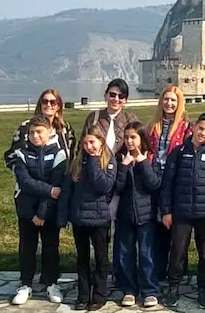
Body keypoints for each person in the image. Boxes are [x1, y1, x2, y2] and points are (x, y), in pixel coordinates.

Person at [160, 113, 205, 309]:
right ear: (194, 127)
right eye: (201, 128)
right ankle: (173, 286)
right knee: (178, 252)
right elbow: (168, 183)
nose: (202, 133)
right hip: (181, 213)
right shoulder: (178, 152)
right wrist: (166, 211)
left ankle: (203, 288)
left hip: (204, 215)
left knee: (204, 254)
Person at [81, 78, 139, 288]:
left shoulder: (131, 119)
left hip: (122, 179)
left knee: (123, 230)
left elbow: (137, 144)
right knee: (101, 231)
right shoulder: (94, 117)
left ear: (126, 100)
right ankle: (101, 273)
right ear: (106, 95)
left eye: (120, 96)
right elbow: (83, 146)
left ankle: (121, 272)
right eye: (112, 94)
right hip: (99, 179)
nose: (116, 99)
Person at [8, 115, 67, 306]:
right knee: (27, 248)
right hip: (27, 211)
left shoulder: (59, 155)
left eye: (39, 132)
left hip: (48, 213)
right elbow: (25, 183)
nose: (35, 136)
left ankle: (52, 283)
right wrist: (47, 192)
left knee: (51, 247)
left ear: (49, 132)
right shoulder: (21, 154)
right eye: (32, 132)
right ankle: (25, 284)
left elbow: (57, 184)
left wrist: (42, 213)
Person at [64, 126, 117, 312]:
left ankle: (99, 295)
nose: (89, 146)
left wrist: (94, 160)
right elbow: (69, 189)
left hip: (99, 219)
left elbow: (103, 185)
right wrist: (66, 214)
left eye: (92, 142)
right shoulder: (77, 163)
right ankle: (83, 295)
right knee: (83, 258)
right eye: (85, 143)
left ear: (101, 142)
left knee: (101, 258)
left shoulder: (109, 161)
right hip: (80, 218)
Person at [147, 86, 193, 283]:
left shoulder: (186, 127)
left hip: (176, 181)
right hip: (154, 179)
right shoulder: (152, 126)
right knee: (158, 226)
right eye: (166, 99)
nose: (169, 103)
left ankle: (178, 270)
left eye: (173, 100)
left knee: (177, 228)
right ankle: (158, 268)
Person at [113, 122, 162, 308]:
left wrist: (142, 163)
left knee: (146, 254)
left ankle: (150, 290)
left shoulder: (151, 157)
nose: (129, 141)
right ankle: (129, 289)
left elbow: (154, 184)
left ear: (141, 138)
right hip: (125, 215)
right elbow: (117, 187)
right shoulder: (120, 158)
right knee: (125, 253)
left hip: (146, 215)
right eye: (126, 137)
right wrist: (124, 166)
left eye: (133, 137)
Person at [4, 89, 75, 171]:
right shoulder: (26, 127)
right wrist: (22, 173)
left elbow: (72, 156)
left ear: (58, 106)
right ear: (40, 104)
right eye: (45, 101)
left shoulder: (65, 128)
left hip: (60, 176)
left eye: (53, 102)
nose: (48, 105)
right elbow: (12, 156)